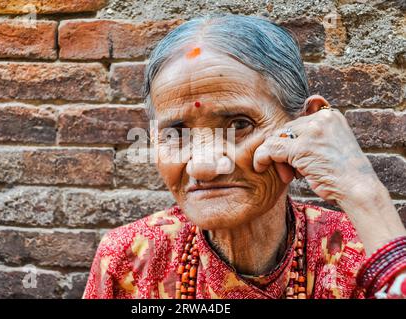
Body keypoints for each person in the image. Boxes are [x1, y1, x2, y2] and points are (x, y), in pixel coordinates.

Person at [83, 14, 406, 299]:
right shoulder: (129, 258)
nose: (204, 166)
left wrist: (367, 197)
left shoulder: (367, 251)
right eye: (176, 133)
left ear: (306, 124)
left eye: (239, 124)